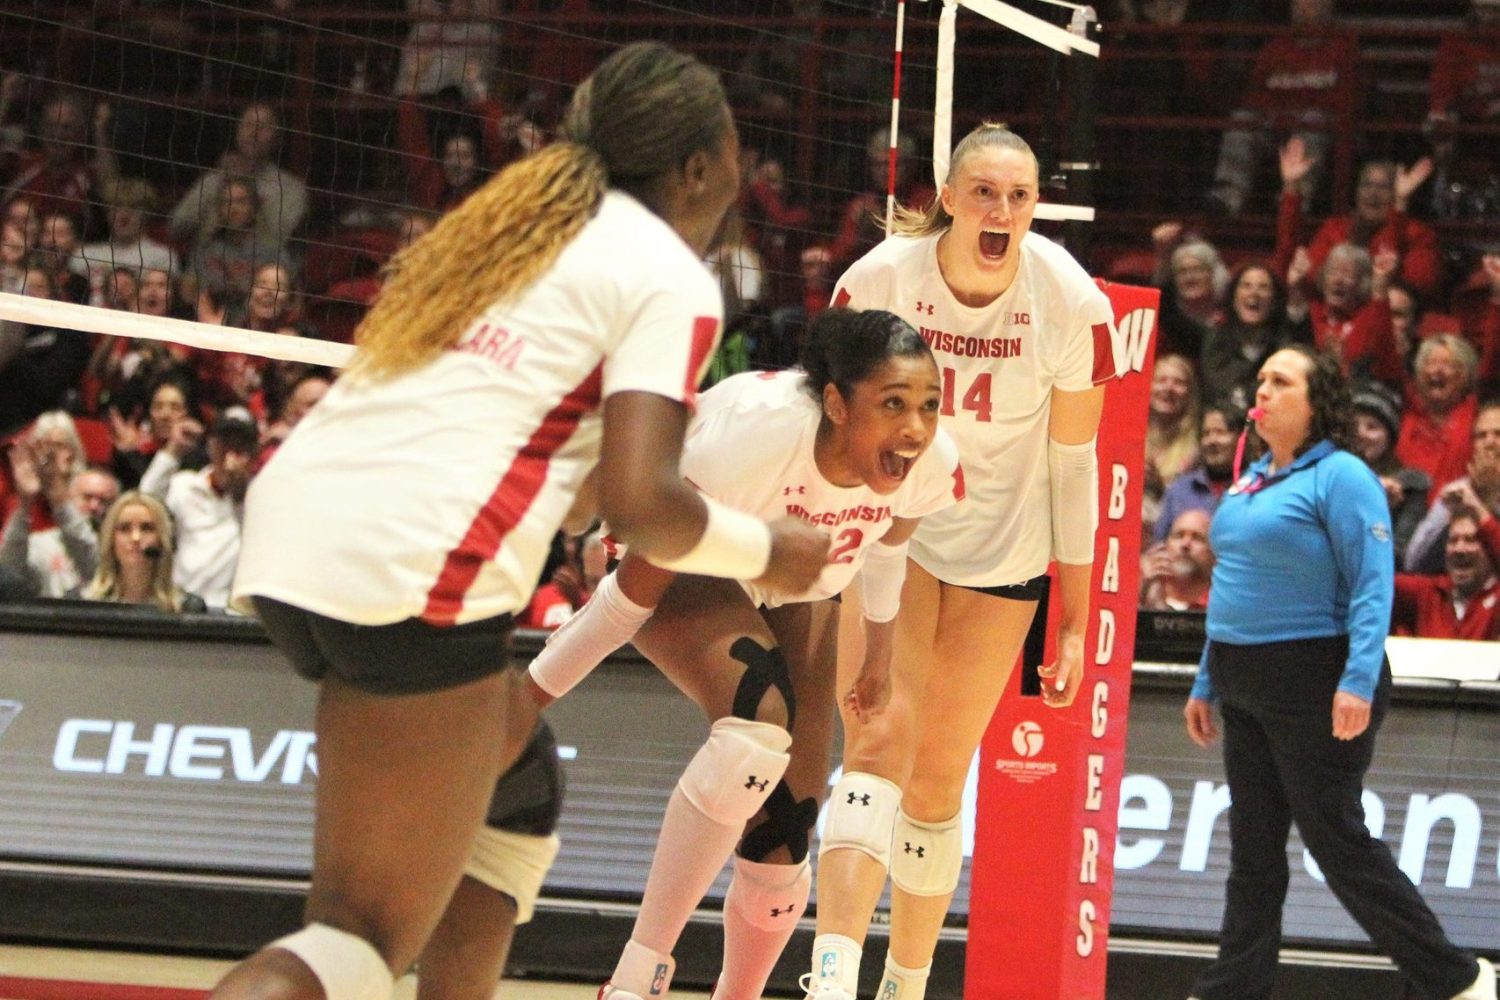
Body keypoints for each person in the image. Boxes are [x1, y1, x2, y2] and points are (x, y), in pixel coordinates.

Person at [208, 42, 827, 1000]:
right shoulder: (666, 271)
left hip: (296, 522)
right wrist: (767, 548)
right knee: (354, 944)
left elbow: (576, 485)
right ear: (699, 166)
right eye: (736, 151)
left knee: (518, 782)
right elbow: (642, 507)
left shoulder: (516, 229)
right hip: (409, 561)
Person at [524, 307, 962, 1000]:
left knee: (786, 833)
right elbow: (626, 599)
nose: (915, 427)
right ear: (837, 404)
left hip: (801, 584)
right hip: (690, 541)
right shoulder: (750, 441)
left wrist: (878, 652)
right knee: (757, 728)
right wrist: (527, 697)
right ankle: (638, 980)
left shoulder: (928, 462)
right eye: (894, 404)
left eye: (930, 405)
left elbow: (888, 551)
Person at [807, 122, 1119, 1000]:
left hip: (1002, 551)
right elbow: (821, 420)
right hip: (891, 536)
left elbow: (1073, 462)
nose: (1003, 210)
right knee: (875, 741)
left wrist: (1074, 611)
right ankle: (832, 975)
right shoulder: (878, 283)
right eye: (984, 192)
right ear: (946, 198)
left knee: (939, 783)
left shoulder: (1069, 299)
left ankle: (905, 986)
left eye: (1019, 197)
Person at [1182, 344, 1495, 1000]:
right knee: (1254, 854)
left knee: (1339, 845)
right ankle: (1230, 991)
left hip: (1315, 678)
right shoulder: (1249, 482)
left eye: (1281, 380)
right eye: (1260, 377)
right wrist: (1207, 679)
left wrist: (1355, 679)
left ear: (1316, 399)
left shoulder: (1343, 476)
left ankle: (1460, 980)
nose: (1261, 390)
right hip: (1242, 680)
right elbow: (1235, 586)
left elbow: (1372, 584)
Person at [1405, 400, 1500, 575]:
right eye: (1481, 436)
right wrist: (1451, 515)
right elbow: (1414, 561)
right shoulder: (1456, 492)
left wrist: (1486, 500)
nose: (1490, 442)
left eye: (1498, 434)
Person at [75, 490, 206, 612]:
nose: (136, 537)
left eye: (147, 528)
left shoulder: (188, 608)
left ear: (162, 540)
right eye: (125, 528)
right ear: (111, 540)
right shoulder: (80, 603)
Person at [1392, 507, 1500, 641]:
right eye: (1453, 540)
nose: (1459, 549)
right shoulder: (1427, 593)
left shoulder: (1496, 597)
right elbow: (1374, 583)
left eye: (1471, 540)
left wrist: (1474, 504)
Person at [1349, 383, 1429, 560]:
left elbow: (1397, 555)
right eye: (1354, 426)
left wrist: (1377, 506)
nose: (1360, 434)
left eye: (1372, 427)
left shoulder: (1410, 487)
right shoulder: (1322, 476)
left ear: (1389, 438)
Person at [1153, 404, 1241, 545]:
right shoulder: (1179, 490)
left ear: (1241, 438)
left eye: (1221, 432)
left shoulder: (1254, 488)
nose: (1212, 441)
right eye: (1206, 433)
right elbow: (1159, 544)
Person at [1140, 508, 1214, 611]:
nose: (1185, 544)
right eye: (1179, 536)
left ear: (1214, 552)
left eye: (1197, 538)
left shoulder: (1221, 606)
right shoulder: (1140, 592)